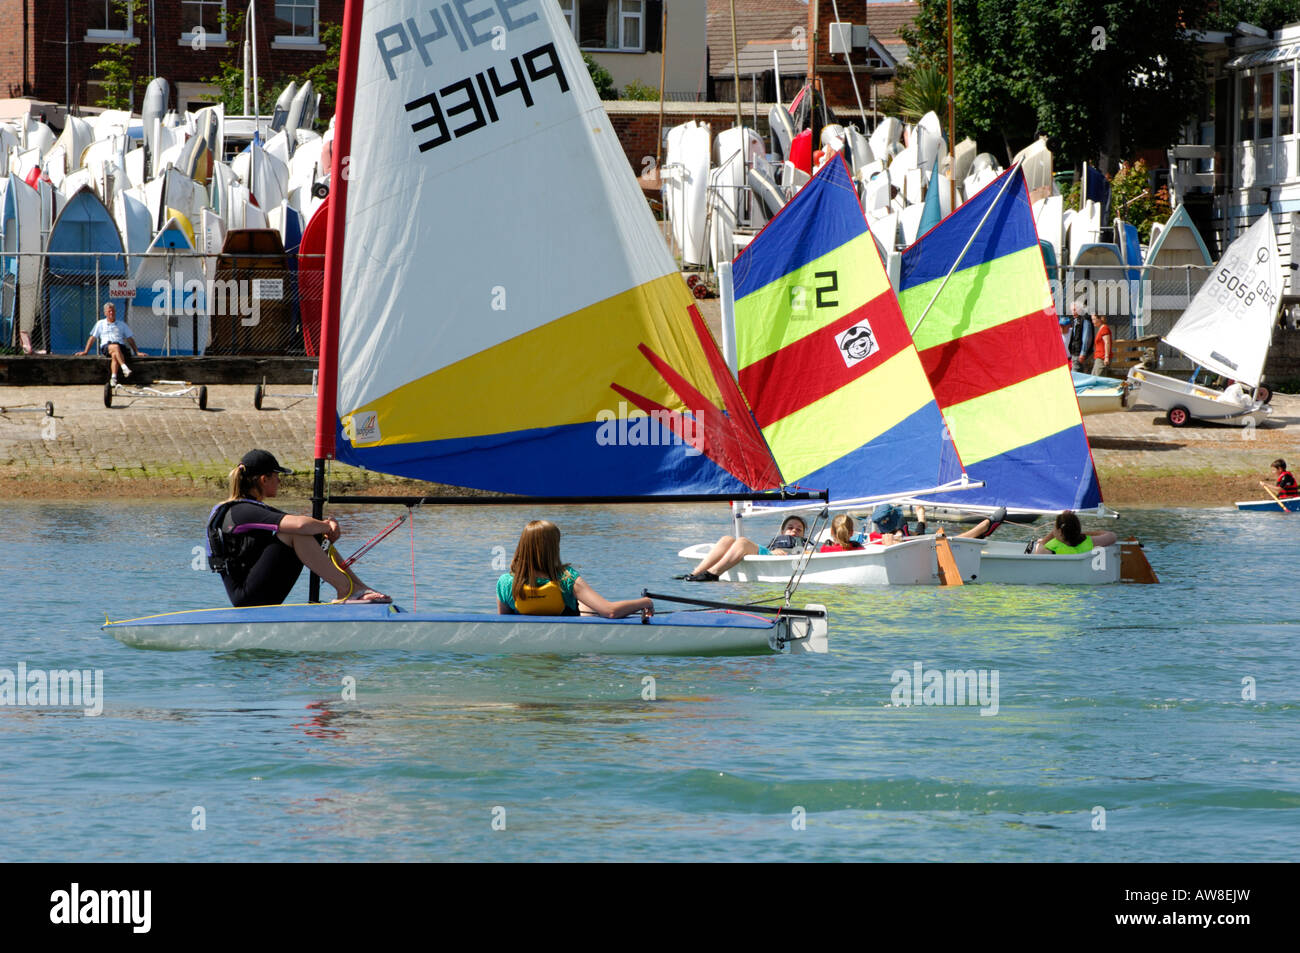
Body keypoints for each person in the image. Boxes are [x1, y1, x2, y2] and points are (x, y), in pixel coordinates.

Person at [206, 449, 390, 607]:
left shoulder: (250, 509)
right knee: (296, 533)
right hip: (247, 598)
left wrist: (322, 530)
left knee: (309, 533)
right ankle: (346, 589)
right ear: (264, 479)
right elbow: (300, 525)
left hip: (256, 591)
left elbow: (303, 524)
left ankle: (358, 588)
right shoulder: (241, 512)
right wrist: (327, 526)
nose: (279, 481)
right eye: (277, 476)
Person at [496, 519, 652, 618]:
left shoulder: (505, 582)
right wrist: (645, 602)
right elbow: (610, 611)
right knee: (586, 605)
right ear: (553, 548)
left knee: (583, 603)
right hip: (567, 644)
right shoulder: (566, 577)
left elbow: (504, 624)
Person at [681, 514, 810, 581]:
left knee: (742, 542)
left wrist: (804, 552)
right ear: (782, 532)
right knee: (727, 539)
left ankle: (713, 573)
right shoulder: (776, 541)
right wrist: (774, 551)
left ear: (804, 534)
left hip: (781, 557)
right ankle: (695, 573)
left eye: (799, 529)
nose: (794, 530)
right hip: (768, 553)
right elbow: (769, 550)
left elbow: (812, 554)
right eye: (790, 528)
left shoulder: (805, 545)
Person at [863, 502, 1007, 545]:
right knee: (951, 539)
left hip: (918, 544)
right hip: (928, 549)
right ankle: (985, 527)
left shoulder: (872, 537)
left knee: (937, 538)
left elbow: (917, 535)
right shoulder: (900, 531)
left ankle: (983, 529)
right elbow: (917, 535)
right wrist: (921, 517)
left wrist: (921, 518)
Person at [76, 302, 139, 384]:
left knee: (115, 355)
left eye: (113, 311)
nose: (111, 313)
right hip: (106, 347)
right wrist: (85, 351)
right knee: (115, 347)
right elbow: (92, 338)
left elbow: (130, 339)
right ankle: (124, 367)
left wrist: (137, 352)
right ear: (105, 313)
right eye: (109, 311)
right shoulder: (100, 323)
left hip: (120, 347)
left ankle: (113, 378)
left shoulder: (122, 324)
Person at [1033, 510, 1118, 555]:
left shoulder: (1050, 549)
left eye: (1054, 527)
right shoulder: (1088, 541)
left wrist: (1050, 536)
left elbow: (1039, 550)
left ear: (1059, 532)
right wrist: (1077, 533)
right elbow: (1112, 536)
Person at [1090, 313, 1113, 377]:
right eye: (1092, 319)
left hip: (1102, 358)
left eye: (1094, 319)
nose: (1092, 321)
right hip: (1099, 358)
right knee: (1093, 377)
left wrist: (1106, 357)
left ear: (1100, 319)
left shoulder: (1104, 329)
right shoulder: (1101, 329)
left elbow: (1107, 342)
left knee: (1098, 378)